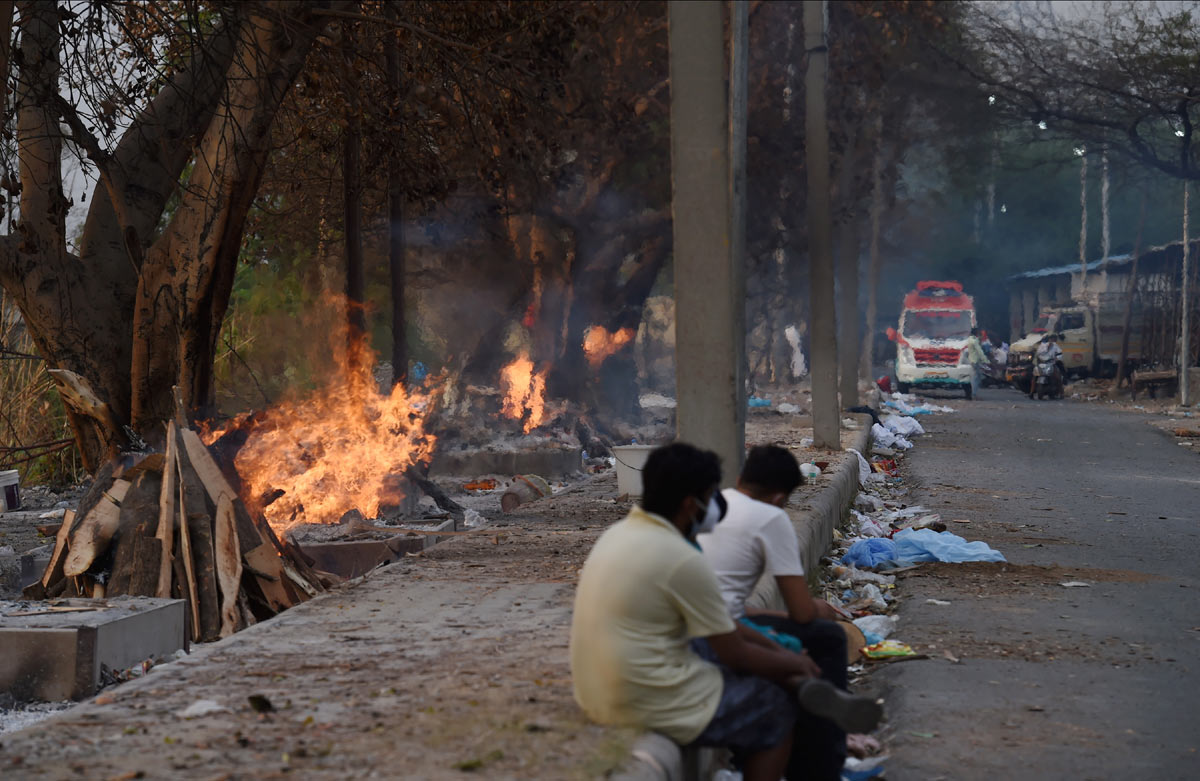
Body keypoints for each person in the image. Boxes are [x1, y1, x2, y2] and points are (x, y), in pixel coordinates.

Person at [570, 443, 881, 781]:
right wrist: (794, 661)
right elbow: (735, 653)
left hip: (594, 690)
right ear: (691, 504)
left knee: (763, 665)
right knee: (773, 709)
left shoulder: (620, 534)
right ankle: (807, 709)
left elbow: (725, 625)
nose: (717, 503)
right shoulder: (681, 559)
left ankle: (801, 686)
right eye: (710, 495)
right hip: (641, 698)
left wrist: (780, 654)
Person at [697, 445, 855, 781]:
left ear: (741, 478)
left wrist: (783, 618)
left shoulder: (717, 503)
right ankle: (821, 764)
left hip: (709, 618)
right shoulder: (771, 517)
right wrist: (820, 609)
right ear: (780, 497)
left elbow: (733, 604)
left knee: (784, 644)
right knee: (827, 637)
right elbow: (801, 612)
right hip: (718, 631)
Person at [1030, 333, 1063, 397]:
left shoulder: (1056, 346)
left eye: (1054, 339)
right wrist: (1047, 348)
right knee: (1034, 377)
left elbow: (1060, 354)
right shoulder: (1042, 345)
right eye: (1051, 338)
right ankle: (1031, 392)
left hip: (1051, 363)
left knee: (1058, 377)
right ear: (1049, 339)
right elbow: (1038, 353)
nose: (1053, 340)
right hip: (1041, 363)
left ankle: (1061, 393)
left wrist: (1057, 358)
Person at [965, 327, 988, 399]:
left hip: (972, 360)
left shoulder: (969, 340)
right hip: (975, 361)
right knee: (976, 378)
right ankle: (974, 394)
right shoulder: (974, 341)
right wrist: (986, 360)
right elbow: (980, 351)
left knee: (975, 377)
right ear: (976, 333)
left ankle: (973, 393)